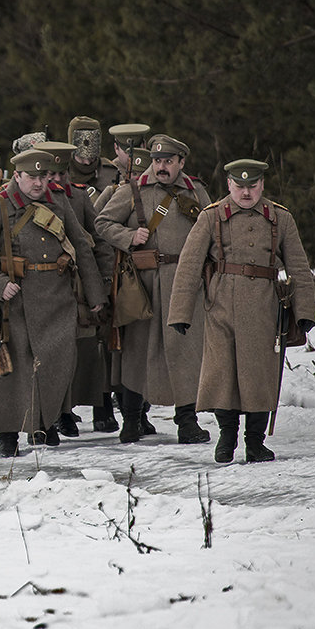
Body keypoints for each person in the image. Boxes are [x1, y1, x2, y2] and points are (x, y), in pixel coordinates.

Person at [168, 159, 315, 463]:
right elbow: (189, 265)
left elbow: (298, 266)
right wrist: (180, 313)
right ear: (229, 185)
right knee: (223, 373)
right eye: (240, 186)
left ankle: (255, 442)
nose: (246, 192)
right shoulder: (212, 217)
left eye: (252, 186)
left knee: (259, 375)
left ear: (262, 185)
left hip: (265, 307)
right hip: (221, 304)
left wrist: (305, 312)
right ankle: (227, 436)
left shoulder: (279, 218)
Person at [0, 149, 107, 456]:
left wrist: (96, 295)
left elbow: (81, 247)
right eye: (32, 176)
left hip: (58, 297)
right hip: (15, 301)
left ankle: (44, 422)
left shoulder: (59, 202)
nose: (38, 183)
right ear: (17, 176)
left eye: (43, 176)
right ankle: (8, 435)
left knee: (57, 364)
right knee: (12, 371)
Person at [96, 134, 212, 444]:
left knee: (184, 351)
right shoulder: (133, 190)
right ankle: (132, 421)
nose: (162, 167)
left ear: (181, 163)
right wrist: (128, 236)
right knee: (138, 350)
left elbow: (214, 231)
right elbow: (103, 223)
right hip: (143, 282)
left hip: (185, 282)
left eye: (168, 162)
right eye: (157, 161)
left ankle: (187, 422)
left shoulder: (196, 190)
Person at [35, 140, 115, 436]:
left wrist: (103, 283)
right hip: (42, 287)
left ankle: (69, 411)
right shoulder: (31, 199)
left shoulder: (79, 199)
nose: (55, 181)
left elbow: (98, 242)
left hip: (77, 288)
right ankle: (55, 413)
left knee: (78, 350)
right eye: (50, 175)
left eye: (60, 174)